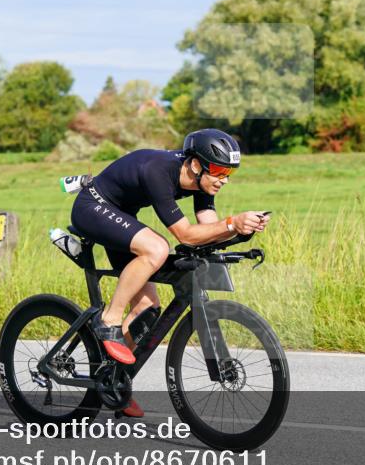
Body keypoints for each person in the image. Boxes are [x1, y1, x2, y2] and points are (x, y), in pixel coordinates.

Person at [70, 129, 269, 417]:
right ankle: (109, 319)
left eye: (230, 173)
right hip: (93, 207)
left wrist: (241, 231)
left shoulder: (203, 184)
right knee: (157, 249)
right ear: (197, 165)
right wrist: (231, 224)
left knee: (149, 308)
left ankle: (113, 380)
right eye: (220, 171)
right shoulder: (159, 170)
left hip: (121, 216)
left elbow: (207, 229)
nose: (224, 179)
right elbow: (186, 235)